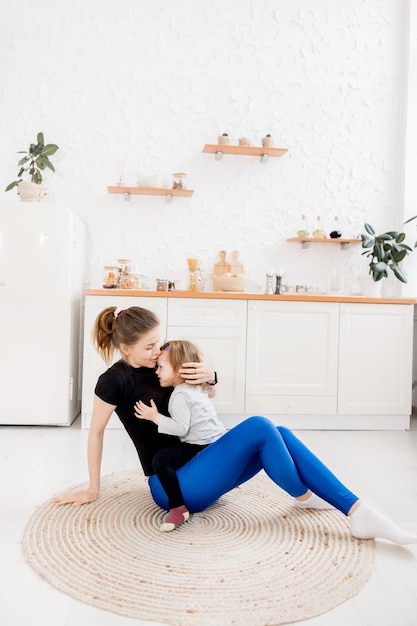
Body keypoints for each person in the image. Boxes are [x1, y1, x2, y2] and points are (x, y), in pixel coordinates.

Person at [53, 306, 417, 545]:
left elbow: (200, 397)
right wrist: (93, 488)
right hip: (172, 485)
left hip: (202, 461)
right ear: (123, 346)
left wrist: (210, 376)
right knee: (260, 425)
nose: (156, 352)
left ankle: (354, 510)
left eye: (158, 343)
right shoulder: (112, 381)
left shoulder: (163, 363)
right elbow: (96, 432)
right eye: (149, 347)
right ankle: (316, 499)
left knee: (281, 434)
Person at [135, 339, 227, 532]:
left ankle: (178, 508)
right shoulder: (198, 386)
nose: (157, 371)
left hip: (201, 445)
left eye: (160, 367)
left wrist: (155, 417)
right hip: (217, 441)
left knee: (160, 460)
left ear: (178, 369)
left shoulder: (180, 395)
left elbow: (180, 429)